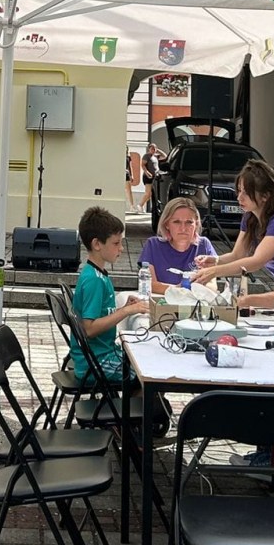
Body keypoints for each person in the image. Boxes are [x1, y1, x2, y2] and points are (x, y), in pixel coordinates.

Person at [191, 159, 274, 303]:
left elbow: (257, 261)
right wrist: (215, 260)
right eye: (239, 190)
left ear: (265, 196)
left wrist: (214, 271)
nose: (239, 197)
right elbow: (237, 255)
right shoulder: (249, 218)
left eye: (247, 193)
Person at [70, 207, 150, 383]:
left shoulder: (96, 274)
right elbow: (90, 329)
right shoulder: (94, 280)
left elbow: (101, 315)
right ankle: (136, 401)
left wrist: (124, 308)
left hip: (101, 354)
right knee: (146, 373)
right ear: (97, 244)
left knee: (144, 362)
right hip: (95, 362)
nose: (121, 248)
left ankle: (135, 399)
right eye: (116, 243)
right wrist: (126, 312)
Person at [136, 198, 216, 295]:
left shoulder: (204, 245)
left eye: (189, 222)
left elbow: (212, 286)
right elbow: (149, 284)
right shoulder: (153, 245)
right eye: (177, 222)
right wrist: (182, 288)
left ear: (196, 224)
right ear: (166, 224)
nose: (183, 228)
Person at [137, 143, 165, 214]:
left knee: (150, 194)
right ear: (149, 149)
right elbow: (142, 165)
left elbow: (165, 156)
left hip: (155, 177)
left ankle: (141, 205)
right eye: (152, 148)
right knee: (148, 193)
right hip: (148, 177)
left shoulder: (156, 156)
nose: (153, 150)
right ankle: (140, 205)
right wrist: (147, 173)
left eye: (154, 149)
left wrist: (158, 150)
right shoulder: (146, 156)